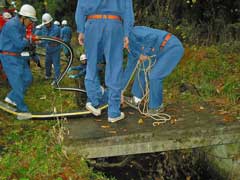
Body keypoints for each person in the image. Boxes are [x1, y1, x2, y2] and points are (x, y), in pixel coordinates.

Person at [75, 0, 134, 122]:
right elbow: (127, 9)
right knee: (114, 67)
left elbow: (81, 6)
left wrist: (81, 30)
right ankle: (113, 112)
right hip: (114, 24)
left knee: (91, 64)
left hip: (91, 24)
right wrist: (127, 33)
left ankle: (94, 100)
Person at [122, 26, 184, 113]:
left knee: (154, 76)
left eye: (123, 42)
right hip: (157, 52)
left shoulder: (135, 31)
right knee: (143, 68)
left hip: (171, 47)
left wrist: (145, 53)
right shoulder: (131, 49)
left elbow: (152, 37)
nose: (124, 46)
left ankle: (157, 106)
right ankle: (136, 100)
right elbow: (128, 70)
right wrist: (120, 91)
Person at [0, 4, 38, 112]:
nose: (31, 23)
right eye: (30, 20)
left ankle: (11, 98)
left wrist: (29, 42)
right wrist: (30, 40)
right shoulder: (12, 25)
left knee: (28, 78)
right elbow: (20, 43)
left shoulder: (21, 25)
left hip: (18, 56)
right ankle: (22, 110)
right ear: (24, 17)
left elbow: (23, 42)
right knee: (17, 84)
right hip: (9, 57)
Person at [41, 13, 61, 83]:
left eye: (47, 23)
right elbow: (43, 37)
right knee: (47, 63)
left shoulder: (56, 28)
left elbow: (49, 38)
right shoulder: (44, 27)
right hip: (48, 48)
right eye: (45, 24)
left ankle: (57, 79)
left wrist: (40, 41)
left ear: (50, 21)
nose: (46, 25)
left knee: (56, 64)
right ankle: (48, 75)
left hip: (55, 48)